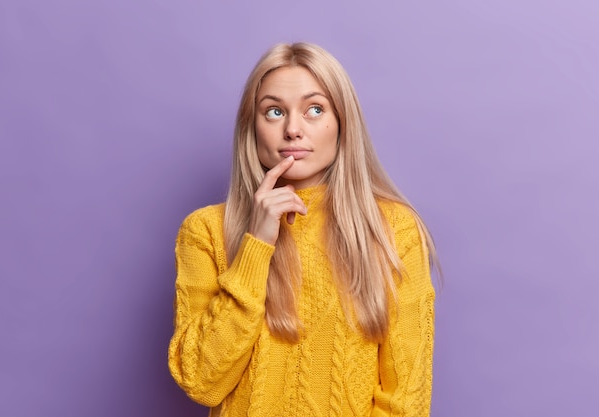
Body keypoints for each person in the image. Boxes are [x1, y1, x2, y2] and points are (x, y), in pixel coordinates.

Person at [168, 42, 438, 417]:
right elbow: (201, 382)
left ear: (342, 123)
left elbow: (406, 399)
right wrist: (256, 246)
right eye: (274, 111)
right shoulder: (205, 231)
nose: (293, 129)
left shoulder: (393, 230)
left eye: (314, 109)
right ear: (252, 126)